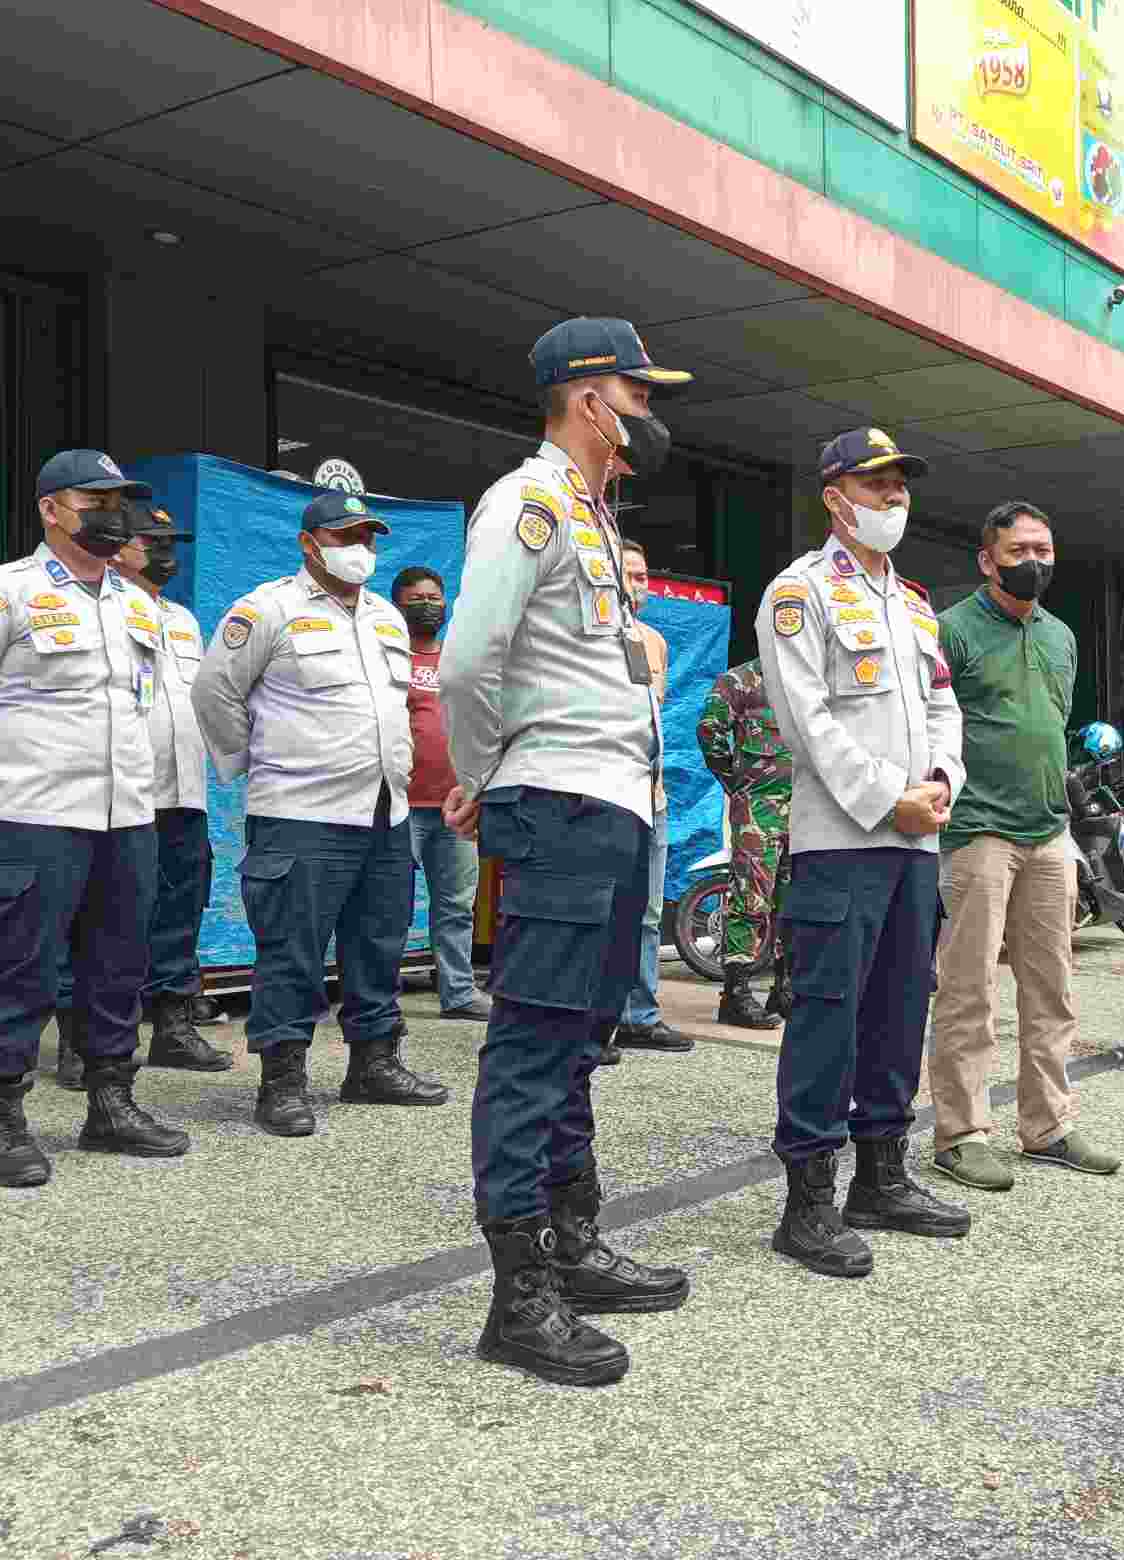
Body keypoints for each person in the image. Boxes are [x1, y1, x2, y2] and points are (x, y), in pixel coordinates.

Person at [440, 316, 694, 1388]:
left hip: (609, 807)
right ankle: (517, 1296)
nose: (650, 413)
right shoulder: (530, 503)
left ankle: (573, 1242)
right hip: (555, 803)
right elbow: (465, 664)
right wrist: (482, 777)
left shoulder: (590, 514)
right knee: (535, 1047)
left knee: (582, 1040)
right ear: (591, 399)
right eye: (639, 393)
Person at [0, 450, 192, 1186]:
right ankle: (3, 1120)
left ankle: (111, 1104)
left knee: (118, 966)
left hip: (125, 820)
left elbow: (140, 708)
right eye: (95, 499)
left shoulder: (137, 604)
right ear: (52, 508)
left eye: (120, 501)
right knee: (19, 969)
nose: (114, 513)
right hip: (29, 817)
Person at [757, 426, 969, 1277]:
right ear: (835, 498)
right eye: (877, 485)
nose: (894, 499)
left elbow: (947, 711)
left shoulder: (915, 605)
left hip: (917, 846)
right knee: (827, 1016)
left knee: (898, 1010)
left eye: (901, 485)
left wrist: (942, 785)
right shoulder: (797, 594)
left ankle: (881, 1176)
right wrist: (893, 797)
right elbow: (805, 723)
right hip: (842, 843)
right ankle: (805, 1203)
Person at [191, 490, 448, 1138]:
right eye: (343, 536)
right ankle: (282, 1081)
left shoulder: (387, 617)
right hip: (301, 813)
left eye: (367, 537)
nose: (358, 549)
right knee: (292, 953)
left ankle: (374, 1064)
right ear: (309, 544)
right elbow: (214, 692)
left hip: (384, 813)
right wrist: (261, 764)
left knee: (379, 946)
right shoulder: (267, 609)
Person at [928, 501, 1116, 1192]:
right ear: (987, 559)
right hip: (977, 833)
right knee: (968, 990)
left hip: (1048, 833)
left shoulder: (1061, 636)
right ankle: (960, 1134)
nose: (1034, 561)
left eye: (1044, 547)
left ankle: (1048, 1127)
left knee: (1052, 990)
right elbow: (929, 723)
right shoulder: (952, 630)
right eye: (1019, 550)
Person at [103, 505, 230, 1075]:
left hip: (184, 791)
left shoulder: (182, 618)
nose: (165, 551)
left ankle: (173, 1028)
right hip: (122, 792)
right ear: (119, 545)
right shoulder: (100, 605)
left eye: (170, 540)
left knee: (180, 911)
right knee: (110, 916)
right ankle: (99, 1038)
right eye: (151, 541)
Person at [392, 565, 492, 1023]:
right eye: (416, 598)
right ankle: (377, 996)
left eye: (434, 596)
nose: (427, 605)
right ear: (397, 605)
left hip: (455, 805)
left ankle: (457, 992)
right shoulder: (388, 657)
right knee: (387, 906)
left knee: (455, 907)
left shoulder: (458, 660)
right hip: (397, 804)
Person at [614, 539, 691, 1054]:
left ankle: (639, 1015)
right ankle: (594, 1019)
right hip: (605, 796)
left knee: (646, 912)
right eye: (628, 574)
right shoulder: (587, 636)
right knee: (602, 911)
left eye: (643, 576)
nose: (637, 585)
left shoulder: (657, 642)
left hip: (653, 797)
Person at [697, 658, 794, 1028]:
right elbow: (709, 730)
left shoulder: (809, 677)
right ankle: (735, 995)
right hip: (758, 810)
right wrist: (736, 782)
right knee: (751, 897)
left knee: (794, 900)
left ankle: (785, 987)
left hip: (805, 811)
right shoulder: (740, 681)